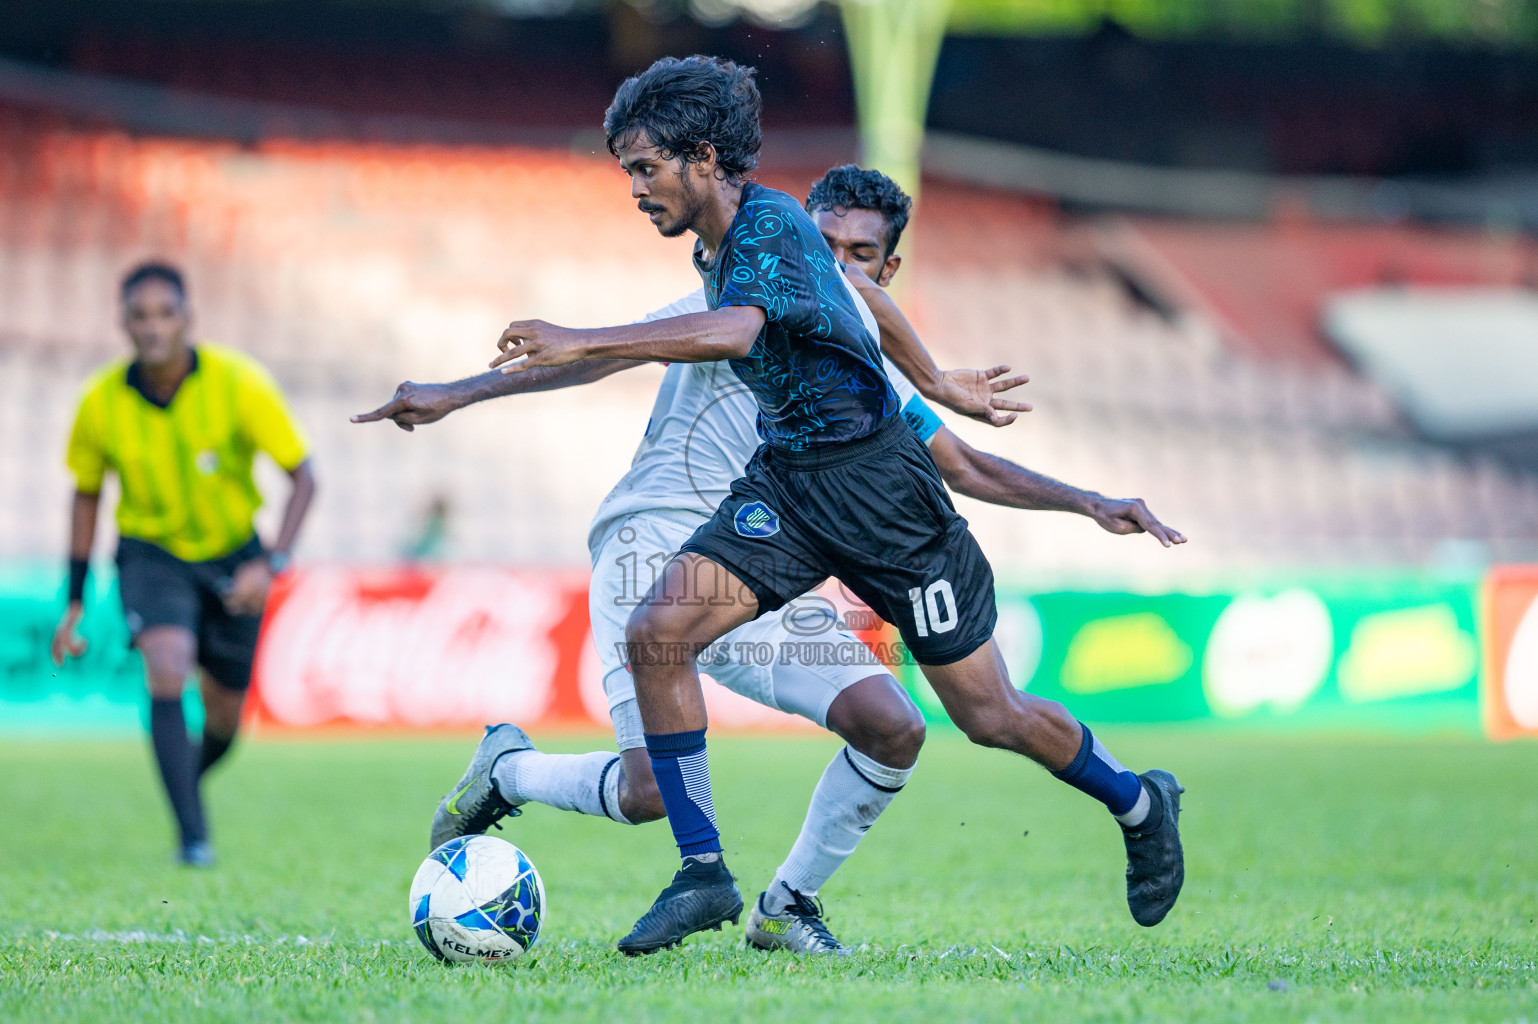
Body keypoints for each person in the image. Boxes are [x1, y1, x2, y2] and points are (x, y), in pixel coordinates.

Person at [356, 73, 1184, 956]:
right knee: (659, 631)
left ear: (703, 158)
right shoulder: (745, 249)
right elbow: (858, 302)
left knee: (988, 716)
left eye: (644, 169)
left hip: (886, 504)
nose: (635, 189)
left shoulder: (770, 231)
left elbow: (742, 336)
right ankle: (706, 873)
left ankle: (1138, 802)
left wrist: (1056, 477)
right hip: (784, 486)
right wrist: (454, 391)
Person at [51, 262, 317, 868]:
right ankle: (193, 837)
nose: (152, 327)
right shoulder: (100, 403)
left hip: (234, 554)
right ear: (123, 323)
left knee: (225, 714)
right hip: (151, 556)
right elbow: (86, 494)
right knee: (166, 666)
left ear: (187, 319)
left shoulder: (238, 383)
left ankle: (183, 783)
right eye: (139, 316)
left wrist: (272, 563)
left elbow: (304, 477)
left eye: (164, 313)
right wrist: (73, 597)